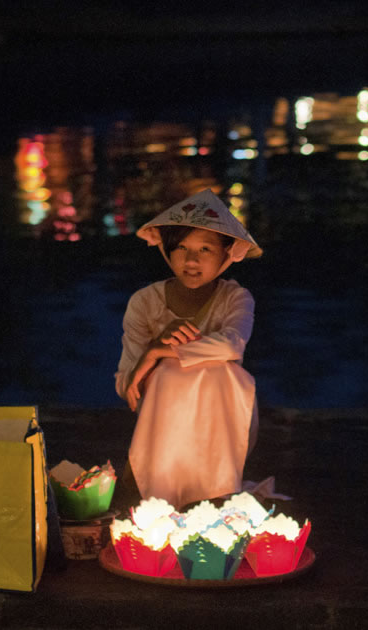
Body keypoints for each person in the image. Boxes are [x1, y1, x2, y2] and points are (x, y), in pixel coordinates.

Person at [113, 189, 263, 510]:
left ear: (226, 255)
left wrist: (160, 352)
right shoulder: (144, 302)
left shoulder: (236, 299)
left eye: (206, 249)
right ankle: (160, 484)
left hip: (219, 419)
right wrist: (152, 353)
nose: (192, 261)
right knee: (171, 372)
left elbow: (233, 344)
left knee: (223, 369)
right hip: (161, 418)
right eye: (182, 247)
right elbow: (128, 383)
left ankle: (215, 485)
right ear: (168, 252)